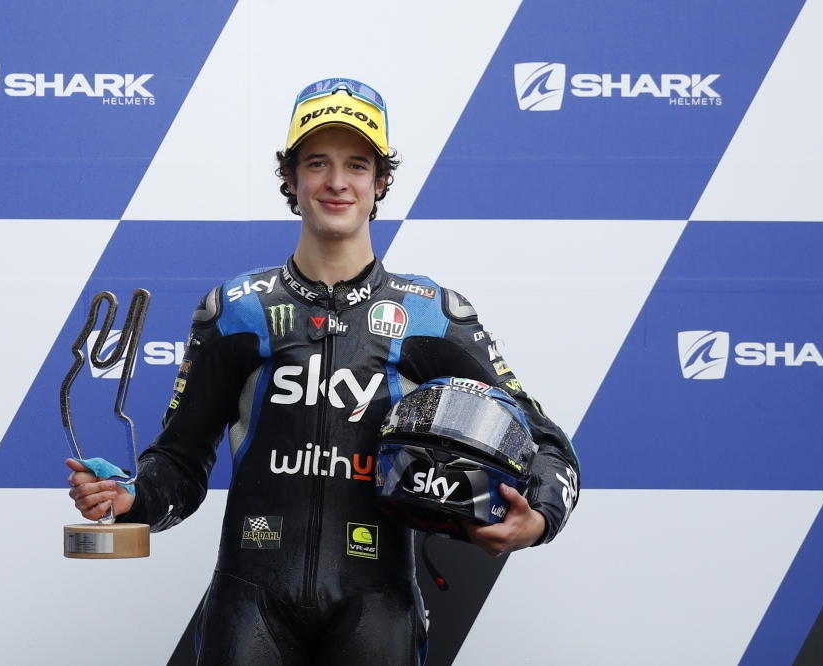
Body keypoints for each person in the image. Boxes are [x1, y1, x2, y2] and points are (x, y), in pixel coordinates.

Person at [67, 78, 580, 665]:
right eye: (317, 163)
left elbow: (546, 443)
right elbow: (181, 462)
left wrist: (535, 519)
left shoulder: (431, 313)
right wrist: (132, 496)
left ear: (380, 181)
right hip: (249, 603)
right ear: (290, 177)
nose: (337, 182)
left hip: (377, 608)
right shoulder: (237, 308)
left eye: (357, 165)